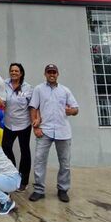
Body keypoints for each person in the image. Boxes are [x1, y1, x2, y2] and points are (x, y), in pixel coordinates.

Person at [29, 64, 79, 203]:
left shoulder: (65, 90)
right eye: (49, 72)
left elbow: (75, 108)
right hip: (44, 130)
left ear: (58, 74)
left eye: (54, 72)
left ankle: (62, 189)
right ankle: (39, 190)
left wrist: (72, 111)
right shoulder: (39, 89)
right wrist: (35, 127)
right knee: (39, 161)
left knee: (65, 163)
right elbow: (33, 107)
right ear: (45, 74)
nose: (52, 74)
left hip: (63, 131)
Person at [1, 63, 33, 192]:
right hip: (9, 124)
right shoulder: (4, 84)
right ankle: (13, 173)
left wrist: (36, 121)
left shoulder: (28, 88)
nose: (14, 72)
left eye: (16, 71)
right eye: (12, 71)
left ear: (21, 73)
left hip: (24, 124)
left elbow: (33, 106)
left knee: (25, 151)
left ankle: (24, 180)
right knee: (6, 148)